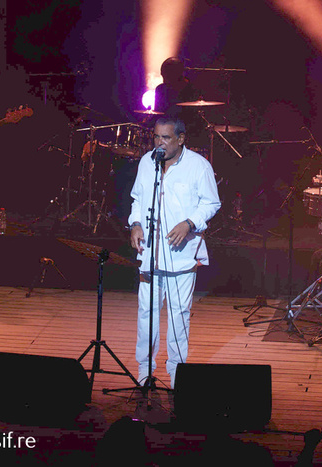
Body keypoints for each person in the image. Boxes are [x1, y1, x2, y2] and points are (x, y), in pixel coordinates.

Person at [128, 116, 221, 388]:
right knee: (147, 312)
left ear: (181, 139)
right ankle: (145, 371)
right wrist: (135, 223)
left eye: (166, 138)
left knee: (179, 314)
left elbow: (211, 203)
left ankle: (177, 373)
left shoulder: (198, 166)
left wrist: (190, 222)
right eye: (156, 137)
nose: (159, 142)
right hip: (150, 252)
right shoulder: (148, 162)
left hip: (182, 253)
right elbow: (137, 197)